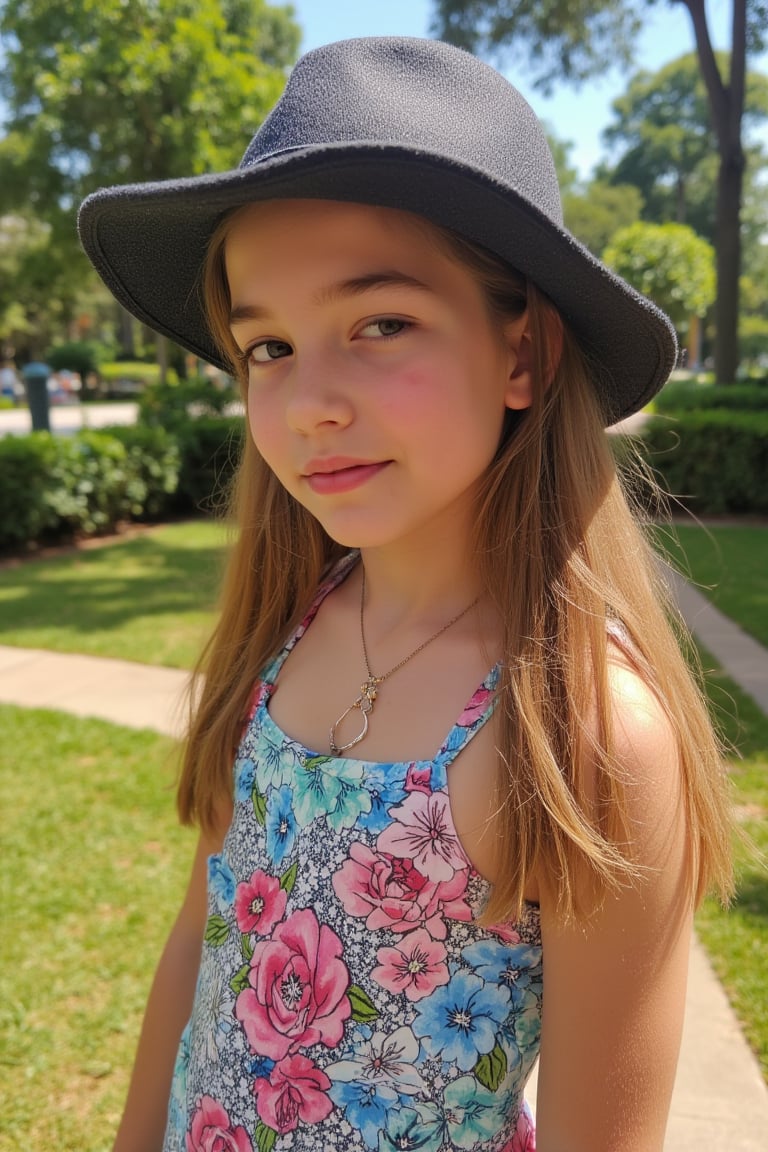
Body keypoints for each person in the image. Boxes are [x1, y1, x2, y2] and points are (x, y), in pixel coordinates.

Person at [79, 36, 733, 1152]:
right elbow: (202, 936)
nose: (310, 403)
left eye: (380, 324)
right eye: (269, 344)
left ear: (523, 353)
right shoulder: (286, 628)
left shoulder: (585, 738)